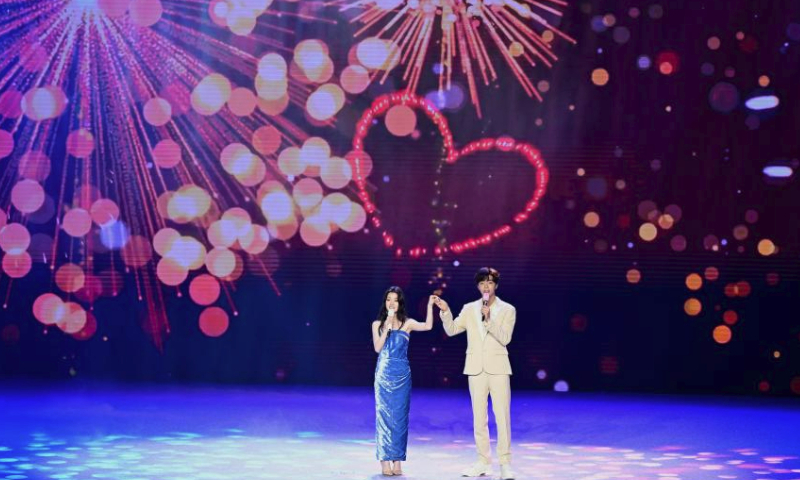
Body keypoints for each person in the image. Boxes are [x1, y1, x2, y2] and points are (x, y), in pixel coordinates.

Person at [434, 267, 517, 480]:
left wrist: (489, 321)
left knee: (502, 417)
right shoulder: (470, 309)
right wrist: (445, 311)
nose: (486, 287)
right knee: (479, 419)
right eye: (482, 283)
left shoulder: (508, 309)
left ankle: (505, 464)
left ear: (496, 285)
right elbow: (452, 329)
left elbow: (505, 338)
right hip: (475, 369)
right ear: (478, 286)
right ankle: (482, 461)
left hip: (498, 369)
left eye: (489, 282)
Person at [371, 286, 434, 476]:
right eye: (388, 299)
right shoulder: (377, 324)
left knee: (400, 418)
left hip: (402, 375)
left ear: (400, 303)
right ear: (385, 302)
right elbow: (377, 347)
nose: (391, 303)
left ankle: (397, 460)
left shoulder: (408, 323)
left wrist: (430, 305)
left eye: (395, 300)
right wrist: (387, 327)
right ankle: (384, 460)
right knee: (383, 416)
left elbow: (428, 326)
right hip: (384, 374)